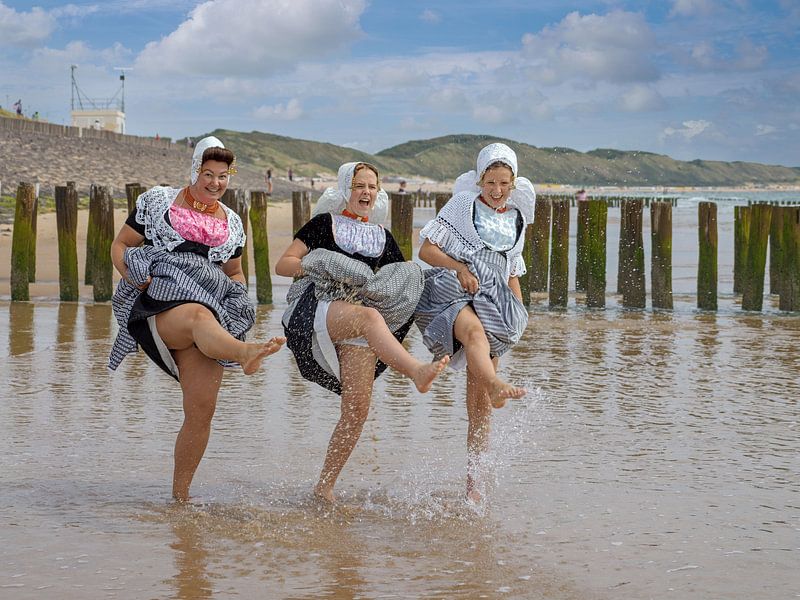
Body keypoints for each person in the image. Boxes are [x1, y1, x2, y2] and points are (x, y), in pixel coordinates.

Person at [108, 136, 286, 502]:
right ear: (195, 171)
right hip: (159, 305)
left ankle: (180, 499)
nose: (215, 183)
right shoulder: (159, 202)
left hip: (210, 315)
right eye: (208, 174)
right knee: (196, 314)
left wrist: (237, 295)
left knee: (201, 410)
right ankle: (243, 352)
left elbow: (234, 272)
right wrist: (132, 275)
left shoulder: (232, 223)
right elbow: (120, 244)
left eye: (223, 176)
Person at [276, 161, 449, 502]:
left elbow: (397, 284)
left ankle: (324, 487)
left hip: (357, 323)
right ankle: (415, 371)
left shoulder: (382, 238)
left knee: (356, 410)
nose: (366, 192)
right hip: (320, 306)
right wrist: (323, 264)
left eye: (372, 187)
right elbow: (283, 265)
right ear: (346, 189)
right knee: (370, 318)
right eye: (359, 186)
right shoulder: (324, 224)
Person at [414, 142, 535, 503]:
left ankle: (474, 488)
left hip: (493, 301)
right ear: (480, 179)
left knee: (479, 406)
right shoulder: (462, 205)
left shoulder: (517, 219)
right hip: (452, 288)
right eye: (490, 182)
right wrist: (461, 268)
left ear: (513, 183)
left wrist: (517, 312)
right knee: (474, 333)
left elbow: (511, 272)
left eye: (504, 184)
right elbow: (426, 250)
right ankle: (496, 385)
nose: (497, 190)